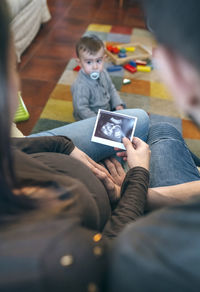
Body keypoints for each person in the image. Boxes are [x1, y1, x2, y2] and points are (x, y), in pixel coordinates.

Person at [0, 1, 150, 291]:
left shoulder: (104, 74)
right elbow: (109, 255)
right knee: (157, 133)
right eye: (11, 67)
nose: (17, 83)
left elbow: (14, 148)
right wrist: (138, 177)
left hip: (57, 156)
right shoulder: (58, 261)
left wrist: (62, 145)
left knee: (139, 121)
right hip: (117, 200)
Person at [107, 1, 200, 291]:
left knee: (159, 130)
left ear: (173, 73)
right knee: (160, 130)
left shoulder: (143, 259)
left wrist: (135, 190)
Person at [71, 34, 125, 120]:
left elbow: (111, 88)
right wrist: (98, 120)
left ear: (104, 59)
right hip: (89, 119)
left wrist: (117, 104)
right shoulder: (80, 86)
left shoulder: (103, 72)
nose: (95, 67)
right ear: (80, 63)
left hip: (106, 110)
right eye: (89, 62)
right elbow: (81, 109)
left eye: (98, 61)